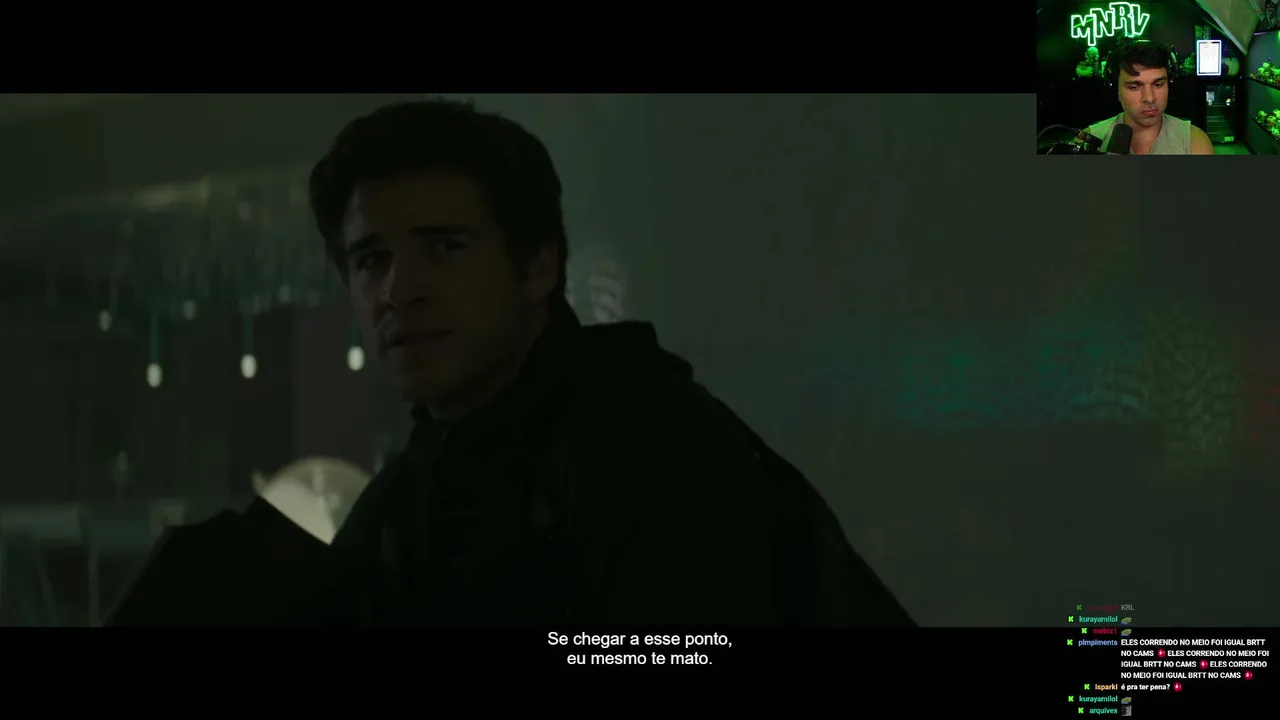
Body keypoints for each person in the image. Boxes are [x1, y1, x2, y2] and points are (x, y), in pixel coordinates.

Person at [298, 98, 915, 627]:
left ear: (539, 266)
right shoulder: (409, 493)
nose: (400, 291)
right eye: (371, 260)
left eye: (444, 247)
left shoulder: (642, 435)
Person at [1086, 39, 1214, 155]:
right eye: (1134, 87)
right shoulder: (1089, 140)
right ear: (1116, 89)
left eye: (1158, 85)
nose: (1149, 98)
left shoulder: (1195, 142)